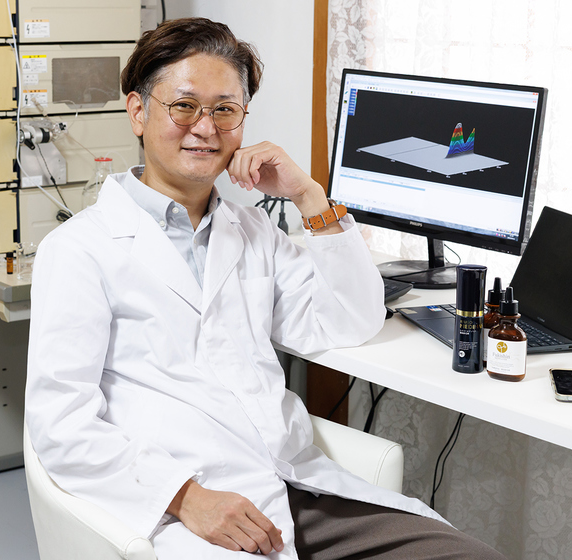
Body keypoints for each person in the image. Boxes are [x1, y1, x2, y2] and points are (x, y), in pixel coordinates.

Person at [25, 17, 505, 560]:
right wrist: (186, 498)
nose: (205, 128)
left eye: (225, 110)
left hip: (295, 488)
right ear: (138, 111)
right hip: (185, 506)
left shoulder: (252, 230)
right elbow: (61, 424)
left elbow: (350, 320)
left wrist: (309, 197)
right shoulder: (79, 250)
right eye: (184, 106)